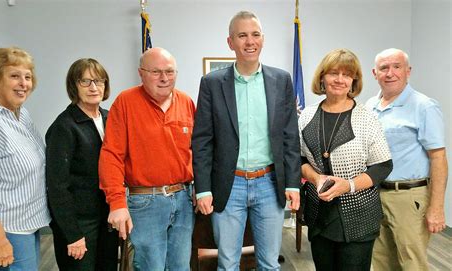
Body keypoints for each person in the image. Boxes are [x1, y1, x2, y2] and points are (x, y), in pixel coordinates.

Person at [192, 11, 301, 270]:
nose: (249, 41)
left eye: (255, 34)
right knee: (228, 263)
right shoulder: (212, 83)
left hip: (269, 183)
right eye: (242, 35)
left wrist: (294, 183)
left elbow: (290, 136)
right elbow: (202, 140)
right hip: (229, 185)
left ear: (263, 39)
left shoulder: (281, 80)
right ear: (230, 42)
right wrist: (204, 188)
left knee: (269, 263)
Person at [99, 47, 195, 270]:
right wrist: (116, 202)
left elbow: (198, 152)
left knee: (181, 266)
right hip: (145, 203)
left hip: (183, 199)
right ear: (141, 73)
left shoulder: (186, 102)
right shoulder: (125, 102)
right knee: (151, 266)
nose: (164, 78)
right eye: (156, 72)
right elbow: (112, 154)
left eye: (170, 72)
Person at [298, 48, 393, 270]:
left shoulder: (366, 117)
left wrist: (348, 186)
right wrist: (316, 178)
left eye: (347, 74)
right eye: (333, 73)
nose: (340, 79)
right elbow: (300, 160)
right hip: (319, 215)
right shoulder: (307, 116)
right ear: (322, 77)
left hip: (357, 215)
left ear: (354, 81)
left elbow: (383, 166)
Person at [366, 48, 448, 271]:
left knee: (412, 264)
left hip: (409, 198)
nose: (390, 73)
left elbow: (438, 158)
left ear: (408, 71)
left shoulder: (424, 106)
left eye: (396, 67)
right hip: (375, 195)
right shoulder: (369, 107)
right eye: (384, 68)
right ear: (375, 73)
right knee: (381, 262)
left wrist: (437, 208)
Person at [0, 47, 51, 270]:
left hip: (27, 222)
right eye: (14, 76)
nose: (23, 83)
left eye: (27, 77)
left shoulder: (20, 114)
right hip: (7, 229)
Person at [45, 58, 119, 270]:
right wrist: (73, 234)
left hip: (107, 218)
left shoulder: (109, 118)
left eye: (98, 81)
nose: (93, 87)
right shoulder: (64, 126)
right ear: (74, 86)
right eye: (85, 81)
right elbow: (57, 186)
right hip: (79, 223)